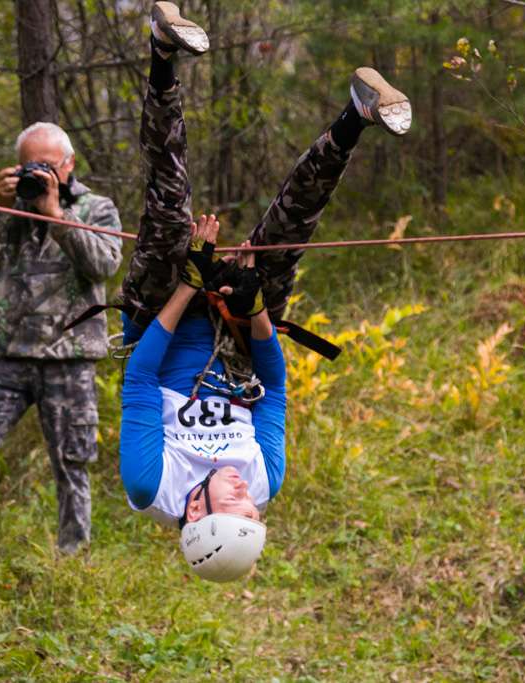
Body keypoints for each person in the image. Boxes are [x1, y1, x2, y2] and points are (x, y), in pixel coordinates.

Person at [118, 2, 412, 582]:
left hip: (159, 316)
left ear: (195, 510)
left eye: (236, 504)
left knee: (169, 200)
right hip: (239, 333)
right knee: (291, 227)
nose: (246, 492)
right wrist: (252, 311)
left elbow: (141, 378)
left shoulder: (150, 482)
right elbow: (274, 386)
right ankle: (357, 114)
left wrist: (188, 284)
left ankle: (160, 52)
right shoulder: (262, 476)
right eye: (253, 508)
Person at [0, 121, 124, 577]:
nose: (38, 174)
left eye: (47, 165)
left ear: (69, 164)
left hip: (70, 355)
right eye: (29, 165)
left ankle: (71, 560)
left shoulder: (97, 207)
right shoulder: (9, 209)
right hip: (6, 356)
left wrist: (57, 214)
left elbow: (104, 264)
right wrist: (0, 208)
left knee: (72, 459)